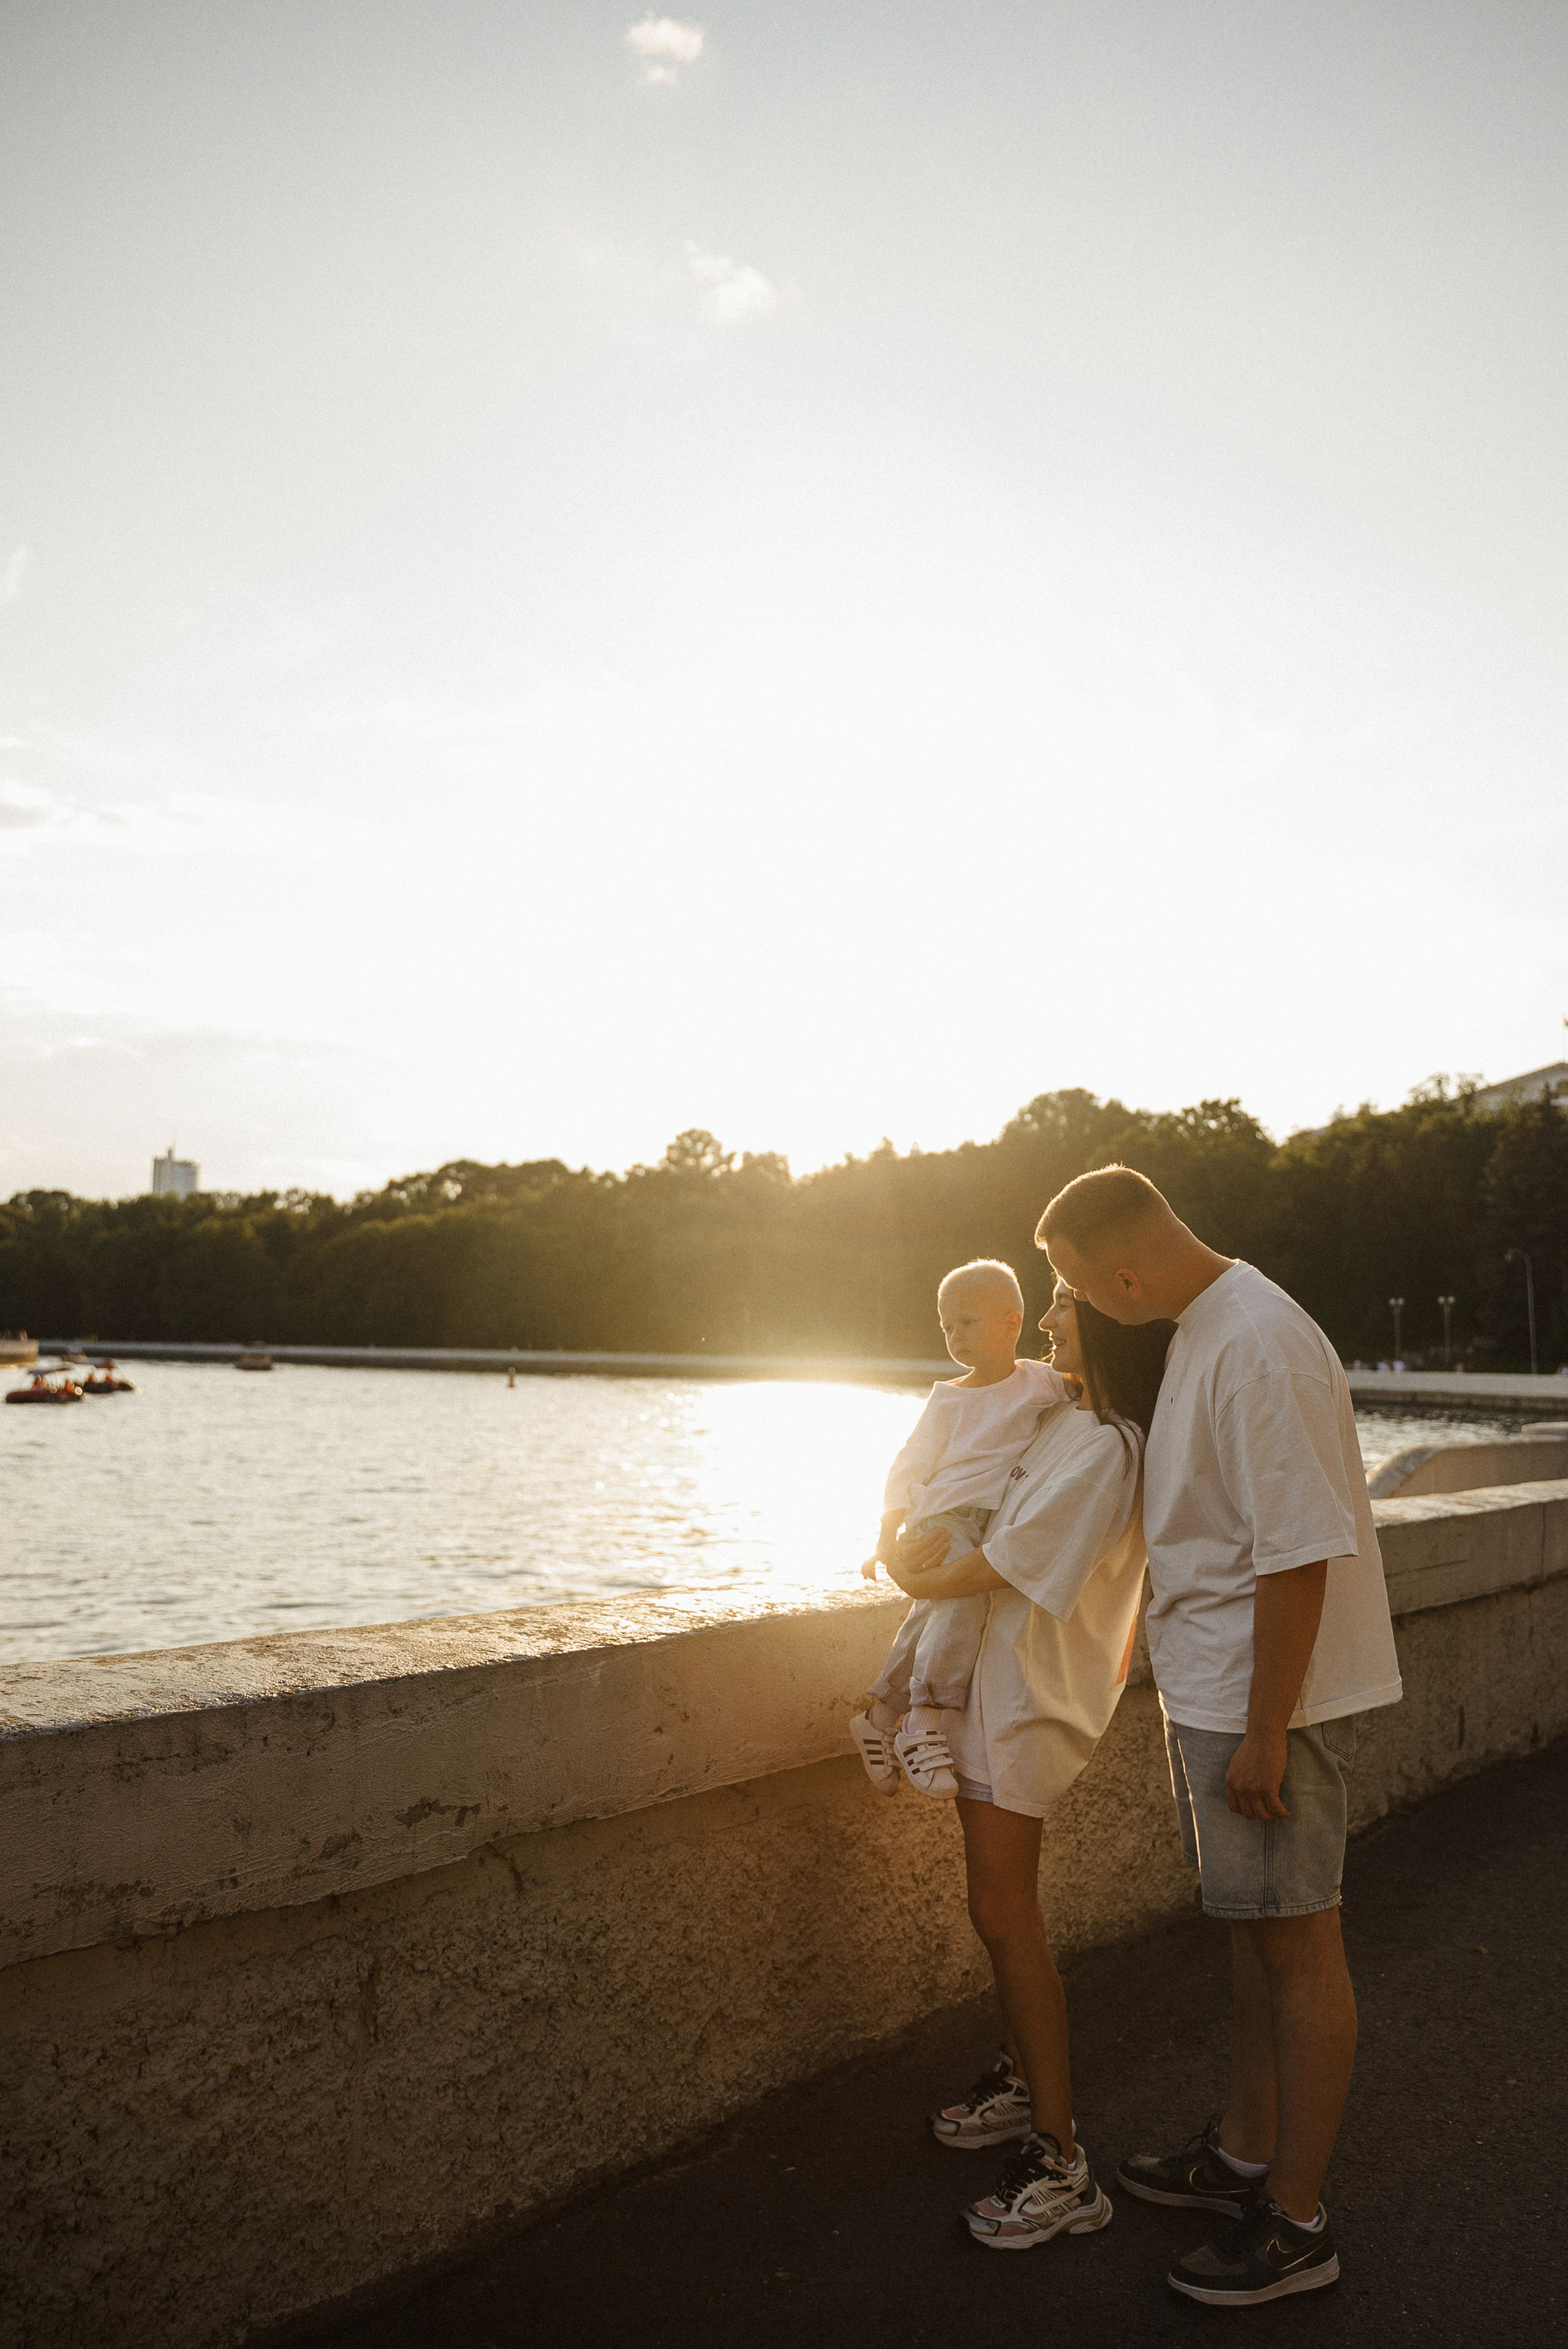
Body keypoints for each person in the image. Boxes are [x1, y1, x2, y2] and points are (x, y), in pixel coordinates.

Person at [1038, 1164, 1402, 2309]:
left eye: (1078, 1289)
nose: (1080, 1308)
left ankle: (1296, 2223)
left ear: (1127, 1272)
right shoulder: (1202, 1322)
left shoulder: (1258, 1342)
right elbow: (1214, 1513)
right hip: (1217, 1692)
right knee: (1256, 1940)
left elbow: (1299, 1551)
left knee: (1300, 1951)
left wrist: (1265, 1735)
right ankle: (1243, 2154)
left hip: (1261, 1709)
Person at [884, 1281, 1173, 2252]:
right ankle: (1019, 2079)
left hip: (1025, 1706)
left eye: (1060, 1304)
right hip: (997, 1693)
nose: (1047, 1323)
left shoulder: (1104, 1444)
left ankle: (1062, 2158)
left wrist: (908, 1572)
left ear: (1108, 1320)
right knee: (994, 1908)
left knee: (1007, 1913)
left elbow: (1003, 1562)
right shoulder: (1065, 1418)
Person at [853, 1261, 1073, 1797]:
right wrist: (887, 1537)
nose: (954, 1335)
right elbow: (906, 1467)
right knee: (964, 1603)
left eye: (967, 1322)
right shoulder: (948, 1399)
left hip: (984, 1524)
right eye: (946, 1325)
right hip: (944, 1519)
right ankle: (924, 1722)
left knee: (933, 1612)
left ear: (1011, 1322)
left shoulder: (1039, 1382)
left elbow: (1086, 1387)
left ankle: (879, 1715)